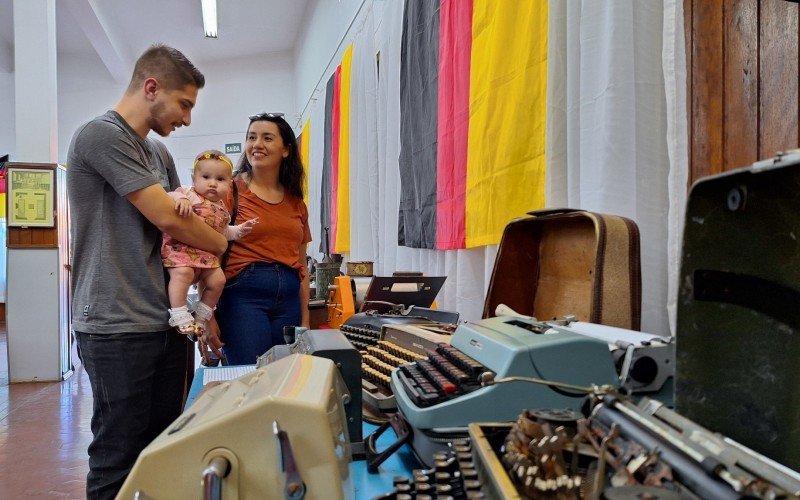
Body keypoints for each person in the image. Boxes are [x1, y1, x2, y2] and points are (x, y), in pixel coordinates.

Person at [66, 44, 227, 500]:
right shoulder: (101, 135)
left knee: (163, 445)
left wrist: (202, 306)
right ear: (151, 88)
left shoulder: (157, 151)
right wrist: (222, 241)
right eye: (185, 104)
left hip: (166, 319)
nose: (187, 119)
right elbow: (175, 221)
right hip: (115, 322)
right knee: (118, 454)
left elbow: (182, 235)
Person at [206, 112, 312, 366]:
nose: (257, 145)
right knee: (247, 376)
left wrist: (306, 319)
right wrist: (206, 315)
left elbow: (302, 266)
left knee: (284, 377)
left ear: (286, 149)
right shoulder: (230, 191)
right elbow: (209, 256)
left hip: (288, 300)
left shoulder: (297, 204)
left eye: (267, 138)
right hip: (243, 297)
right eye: (251, 137)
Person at [163, 149, 258, 343]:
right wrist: (180, 200)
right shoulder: (188, 194)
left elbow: (225, 233)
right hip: (181, 251)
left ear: (230, 184)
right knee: (184, 274)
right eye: (206, 177)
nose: (213, 183)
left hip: (205, 257)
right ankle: (180, 314)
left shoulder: (222, 209)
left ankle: (202, 314)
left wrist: (240, 230)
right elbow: (170, 195)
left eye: (220, 179)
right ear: (194, 177)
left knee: (218, 280)